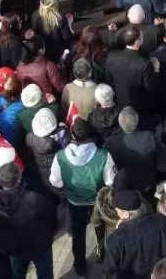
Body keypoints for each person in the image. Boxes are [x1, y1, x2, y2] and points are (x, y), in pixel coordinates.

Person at [50, 118, 116, 277]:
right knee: (99, 226)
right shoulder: (103, 155)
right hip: (96, 199)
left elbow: (55, 182)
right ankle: (101, 253)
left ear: (72, 134)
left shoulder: (60, 156)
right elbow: (110, 181)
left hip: (74, 201)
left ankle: (79, 265)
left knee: (78, 234)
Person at [102, 189, 166, 279]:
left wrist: (119, 232)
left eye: (118, 211)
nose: (118, 214)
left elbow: (110, 272)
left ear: (126, 214)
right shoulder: (164, 222)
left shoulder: (115, 239)